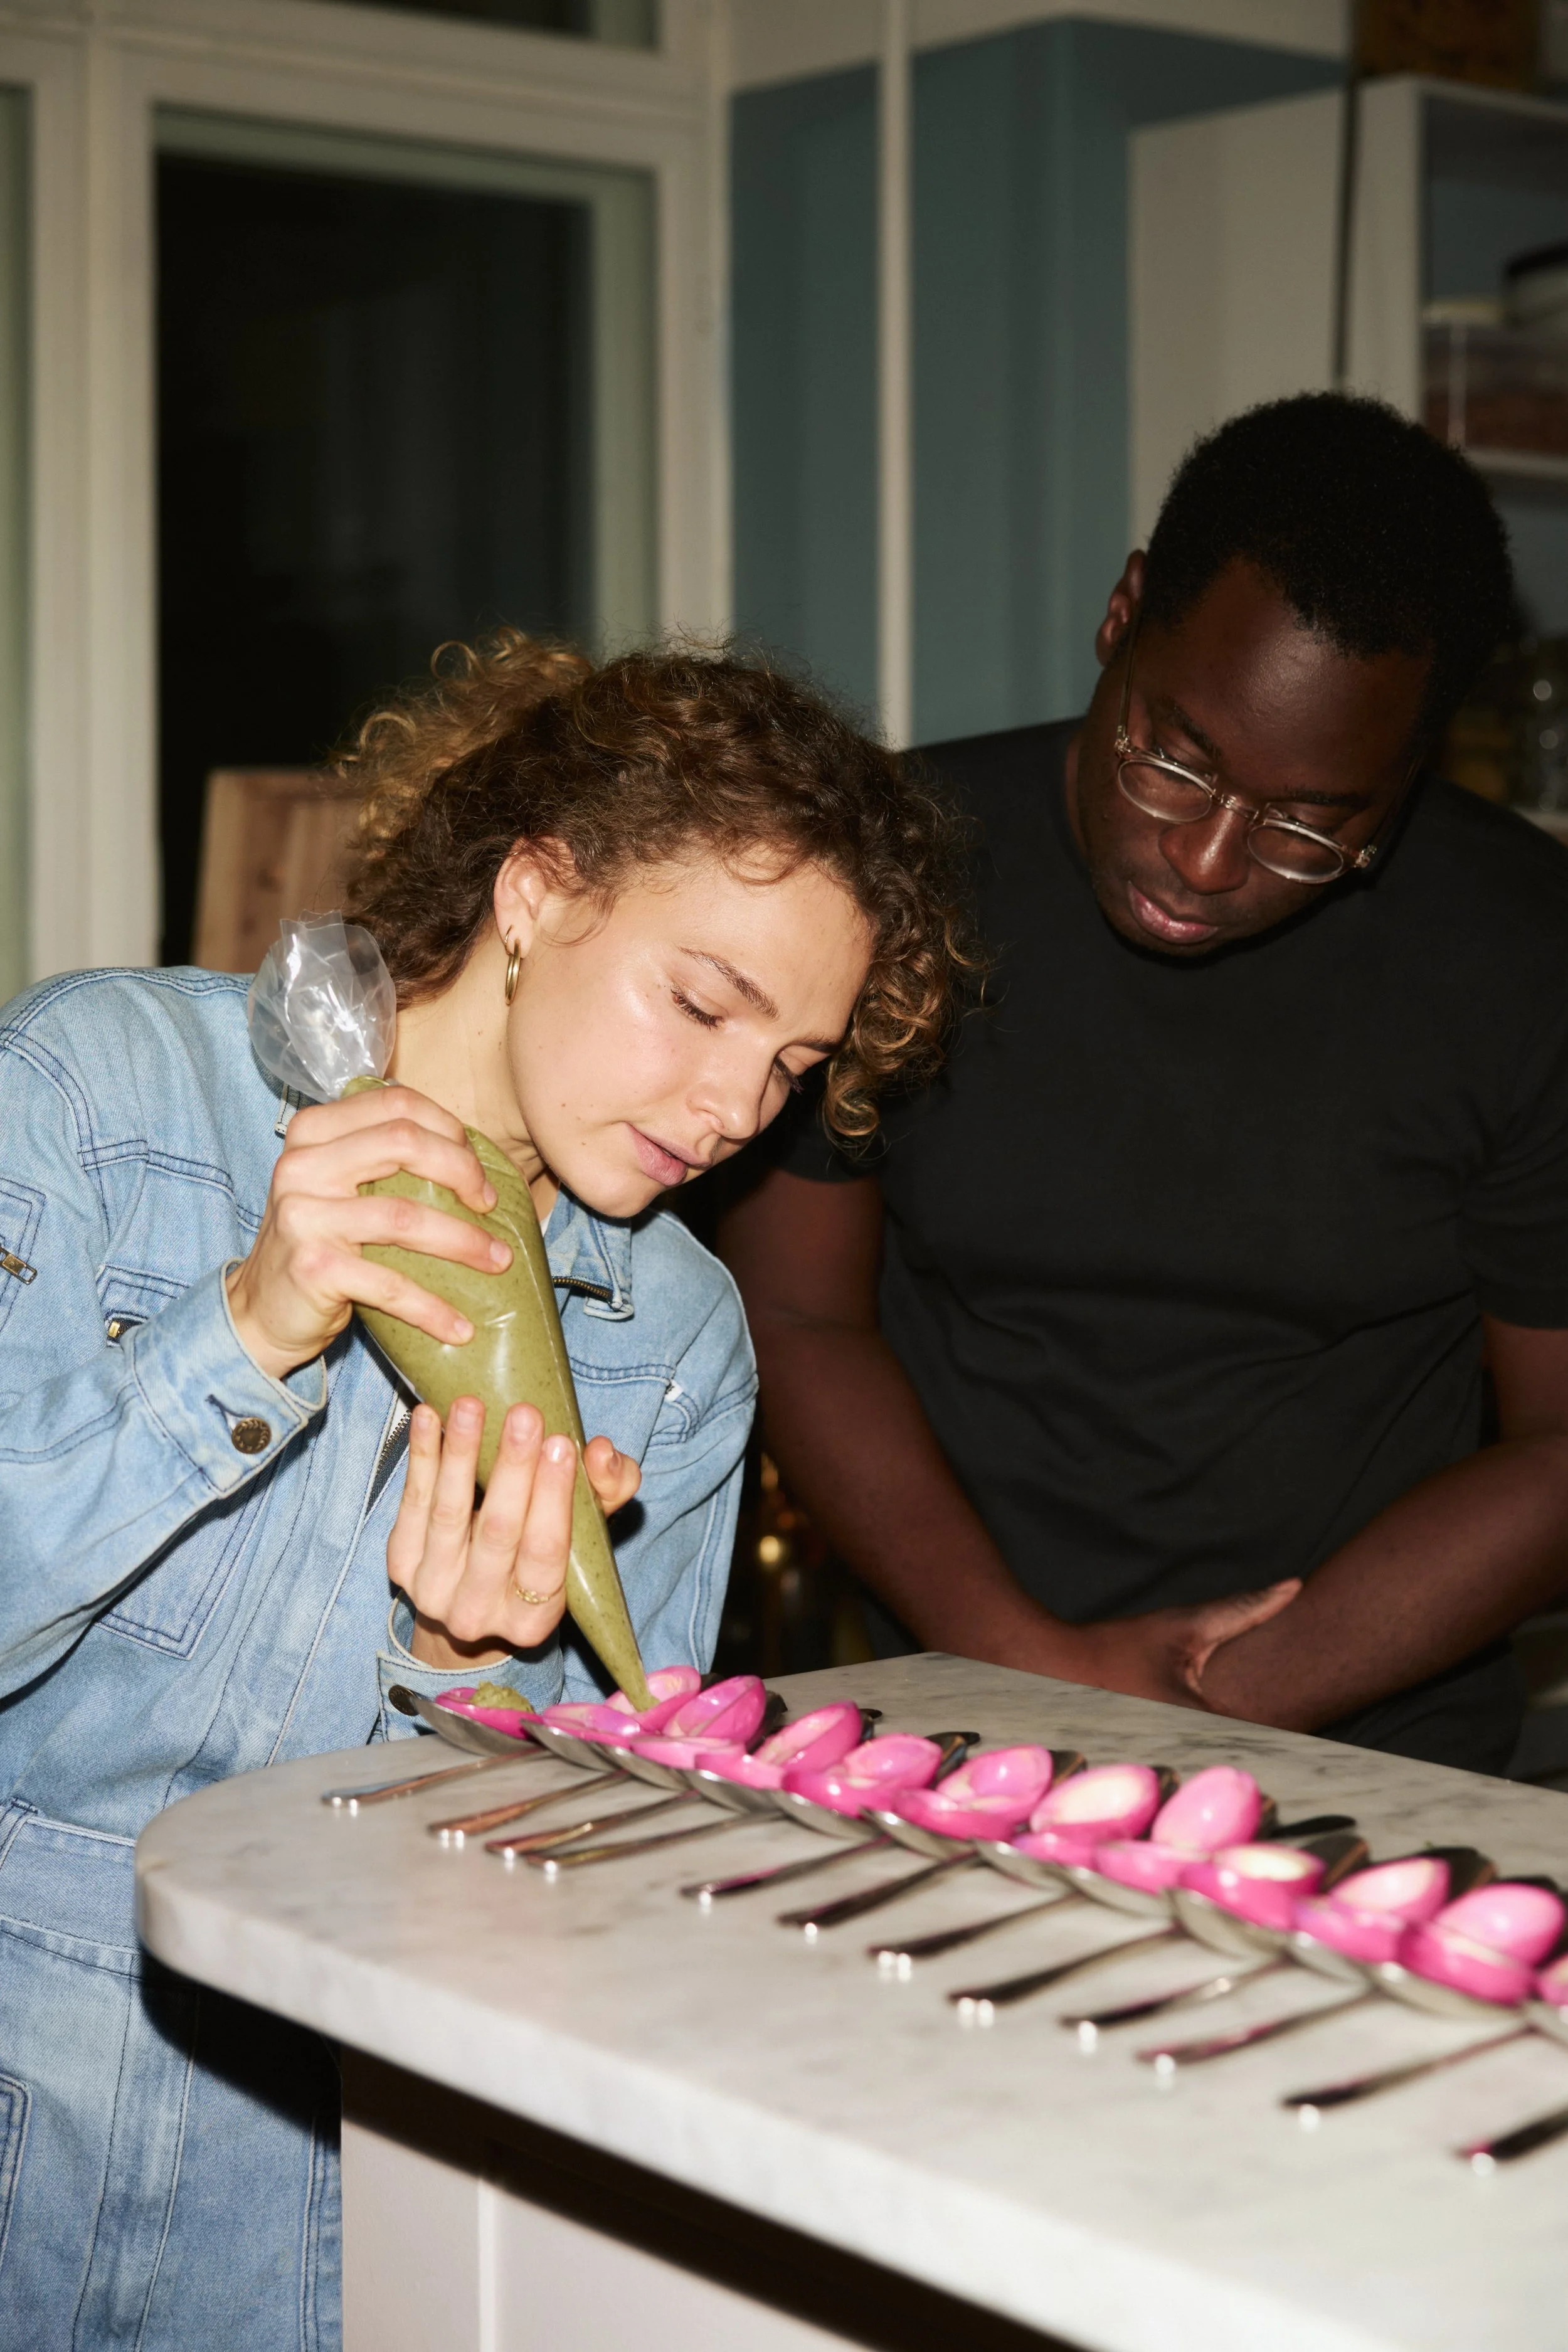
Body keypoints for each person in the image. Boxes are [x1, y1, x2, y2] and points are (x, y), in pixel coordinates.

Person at [0, 632, 965, 2352]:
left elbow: (585, 1897)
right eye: (702, 1003)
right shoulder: (103, 1094)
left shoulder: (673, 1342)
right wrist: (242, 1328)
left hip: (329, 2183)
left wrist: (467, 1680)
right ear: (535, 889)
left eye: (797, 1062)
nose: (737, 1103)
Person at [723, 393, 1568, 1777]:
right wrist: (1030, 1672)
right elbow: (798, 1311)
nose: (1207, 859)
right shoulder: (888, 871)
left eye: (1311, 821)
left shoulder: (1524, 958)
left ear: (1409, 775)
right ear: (1121, 617)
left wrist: (1214, 1701)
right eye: (1174, 757)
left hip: (1376, 1752)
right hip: (957, 1715)